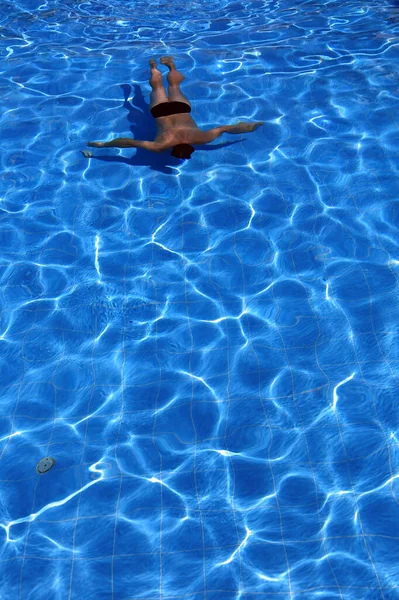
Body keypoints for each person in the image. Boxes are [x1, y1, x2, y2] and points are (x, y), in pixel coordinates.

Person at [86, 56, 263, 160]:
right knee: (157, 89)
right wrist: (102, 145)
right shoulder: (161, 146)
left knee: (175, 87)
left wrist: (249, 126)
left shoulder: (202, 138)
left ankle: (170, 65)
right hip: (160, 111)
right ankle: (153, 67)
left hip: (181, 108)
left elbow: (226, 129)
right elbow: (127, 142)